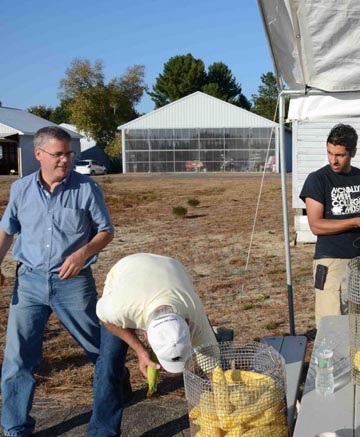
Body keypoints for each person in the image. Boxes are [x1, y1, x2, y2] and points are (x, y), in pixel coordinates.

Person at [0, 126, 115, 437]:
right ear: (39, 155)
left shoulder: (87, 189)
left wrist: (83, 253)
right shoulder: (21, 190)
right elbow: (7, 229)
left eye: (69, 153)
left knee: (99, 348)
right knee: (18, 358)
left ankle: (117, 387)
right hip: (29, 282)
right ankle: (15, 427)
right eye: (58, 154)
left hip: (73, 284)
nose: (65, 160)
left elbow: (106, 231)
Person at [88, 253, 218, 436]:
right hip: (127, 269)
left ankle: (122, 390)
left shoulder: (194, 312)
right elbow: (105, 320)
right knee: (109, 362)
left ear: (187, 325)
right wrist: (140, 350)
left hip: (170, 266)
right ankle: (102, 432)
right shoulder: (118, 307)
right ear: (147, 335)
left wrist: (223, 402)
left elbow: (213, 368)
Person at [299, 124, 360, 327]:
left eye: (340, 155)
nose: (333, 160)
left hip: (357, 261)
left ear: (353, 152)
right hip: (330, 262)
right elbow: (316, 225)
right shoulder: (317, 180)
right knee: (331, 321)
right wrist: (355, 221)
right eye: (330, 153)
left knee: (359, 320)